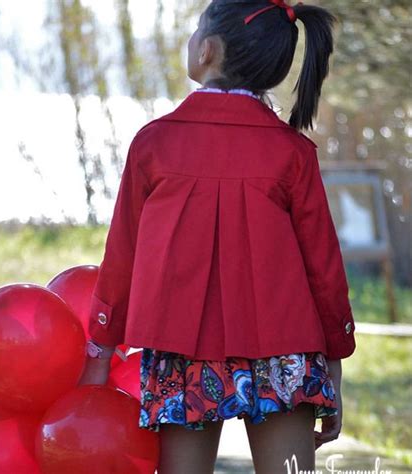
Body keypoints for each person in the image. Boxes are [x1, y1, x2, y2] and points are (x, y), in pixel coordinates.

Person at [78, 0, 357, 472]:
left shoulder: (154, 143)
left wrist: (99, 351)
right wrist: (335, 358)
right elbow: (324, 270)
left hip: (180, 350)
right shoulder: (292, 152)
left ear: (206, 50)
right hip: (283, 352)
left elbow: (121, 258)